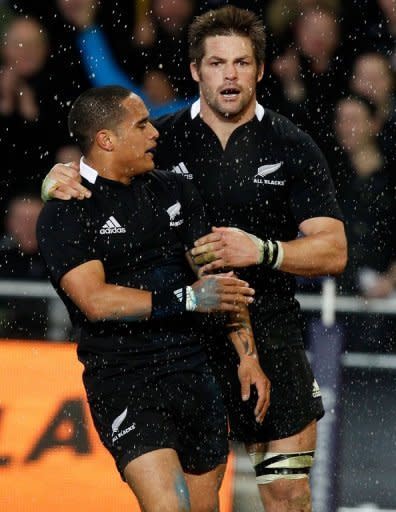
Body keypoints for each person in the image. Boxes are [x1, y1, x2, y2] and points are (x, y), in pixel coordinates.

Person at [41, 7, 347, 512]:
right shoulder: (158, 137)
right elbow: (103, 162)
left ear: (261, 71)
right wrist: (57, 175)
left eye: (242, 63)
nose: (230, 74)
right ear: (194, 71)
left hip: (264, 328)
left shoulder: (293, 145)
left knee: (287, 492)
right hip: (179, 343)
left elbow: (334, 250)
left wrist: (264, 251)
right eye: (217, 63)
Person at [37, 85, 270, 512]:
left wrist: (247, 357)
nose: (154, 134)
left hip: (195, 372)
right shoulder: (66, 211)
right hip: (125, 379)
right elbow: (96, 301)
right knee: (169, 507)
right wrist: (185, 298)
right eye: (141, 125)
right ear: (106, 140)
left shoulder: (174, 190)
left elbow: (215, 280)